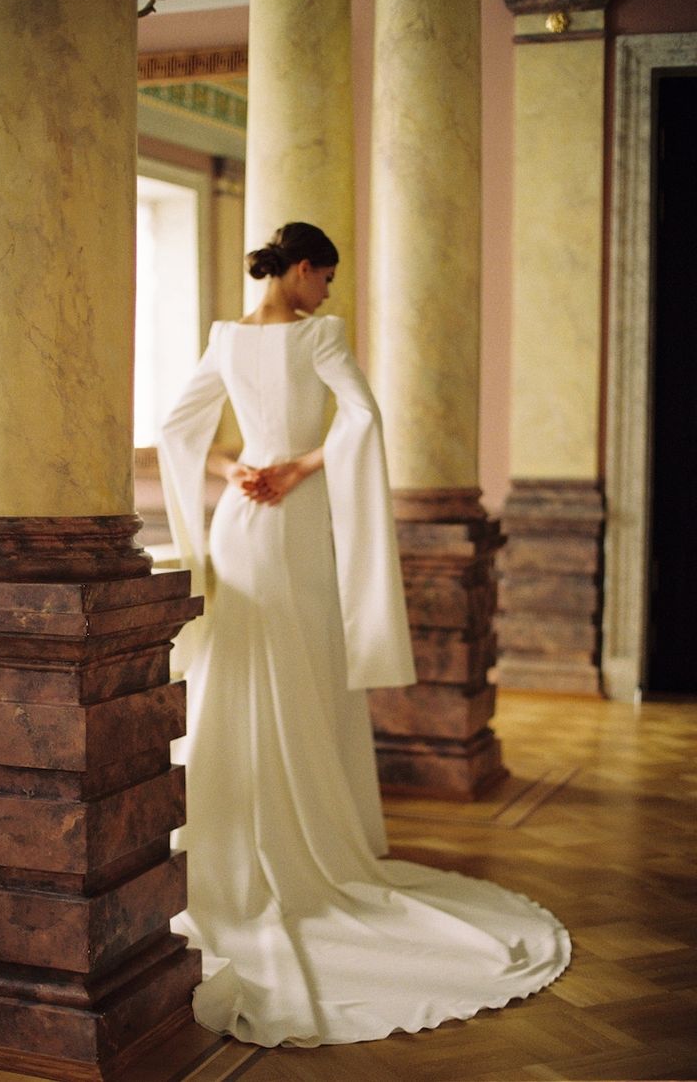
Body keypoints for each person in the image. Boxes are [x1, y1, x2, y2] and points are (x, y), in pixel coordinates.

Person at [157, 222, 570, 1048]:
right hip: (296, 517)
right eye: (327, 279)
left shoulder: (225, 339)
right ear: (304, 271)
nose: (329, 295)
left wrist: (233, 472)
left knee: (247, 669)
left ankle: (240, 847)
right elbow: (365, 415)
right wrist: (299, 467)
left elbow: (174, 430)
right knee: (304, 665)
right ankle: (308, 841)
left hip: (243, 518)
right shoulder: (321, 335)